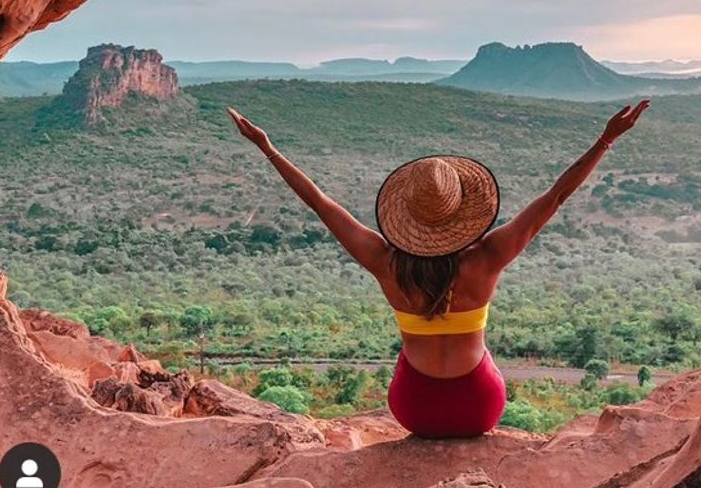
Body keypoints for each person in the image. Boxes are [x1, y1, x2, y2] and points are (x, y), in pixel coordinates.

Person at [227, 98, 650, 438]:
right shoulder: (488, 257)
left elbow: (319, 203)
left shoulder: (385, 262)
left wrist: (268, 148)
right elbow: (555, 197)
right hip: (478, 408)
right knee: (484, 354)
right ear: (464, 213)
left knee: (406, 358)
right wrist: (605, 140)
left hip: (415, 410)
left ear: (408, 219)